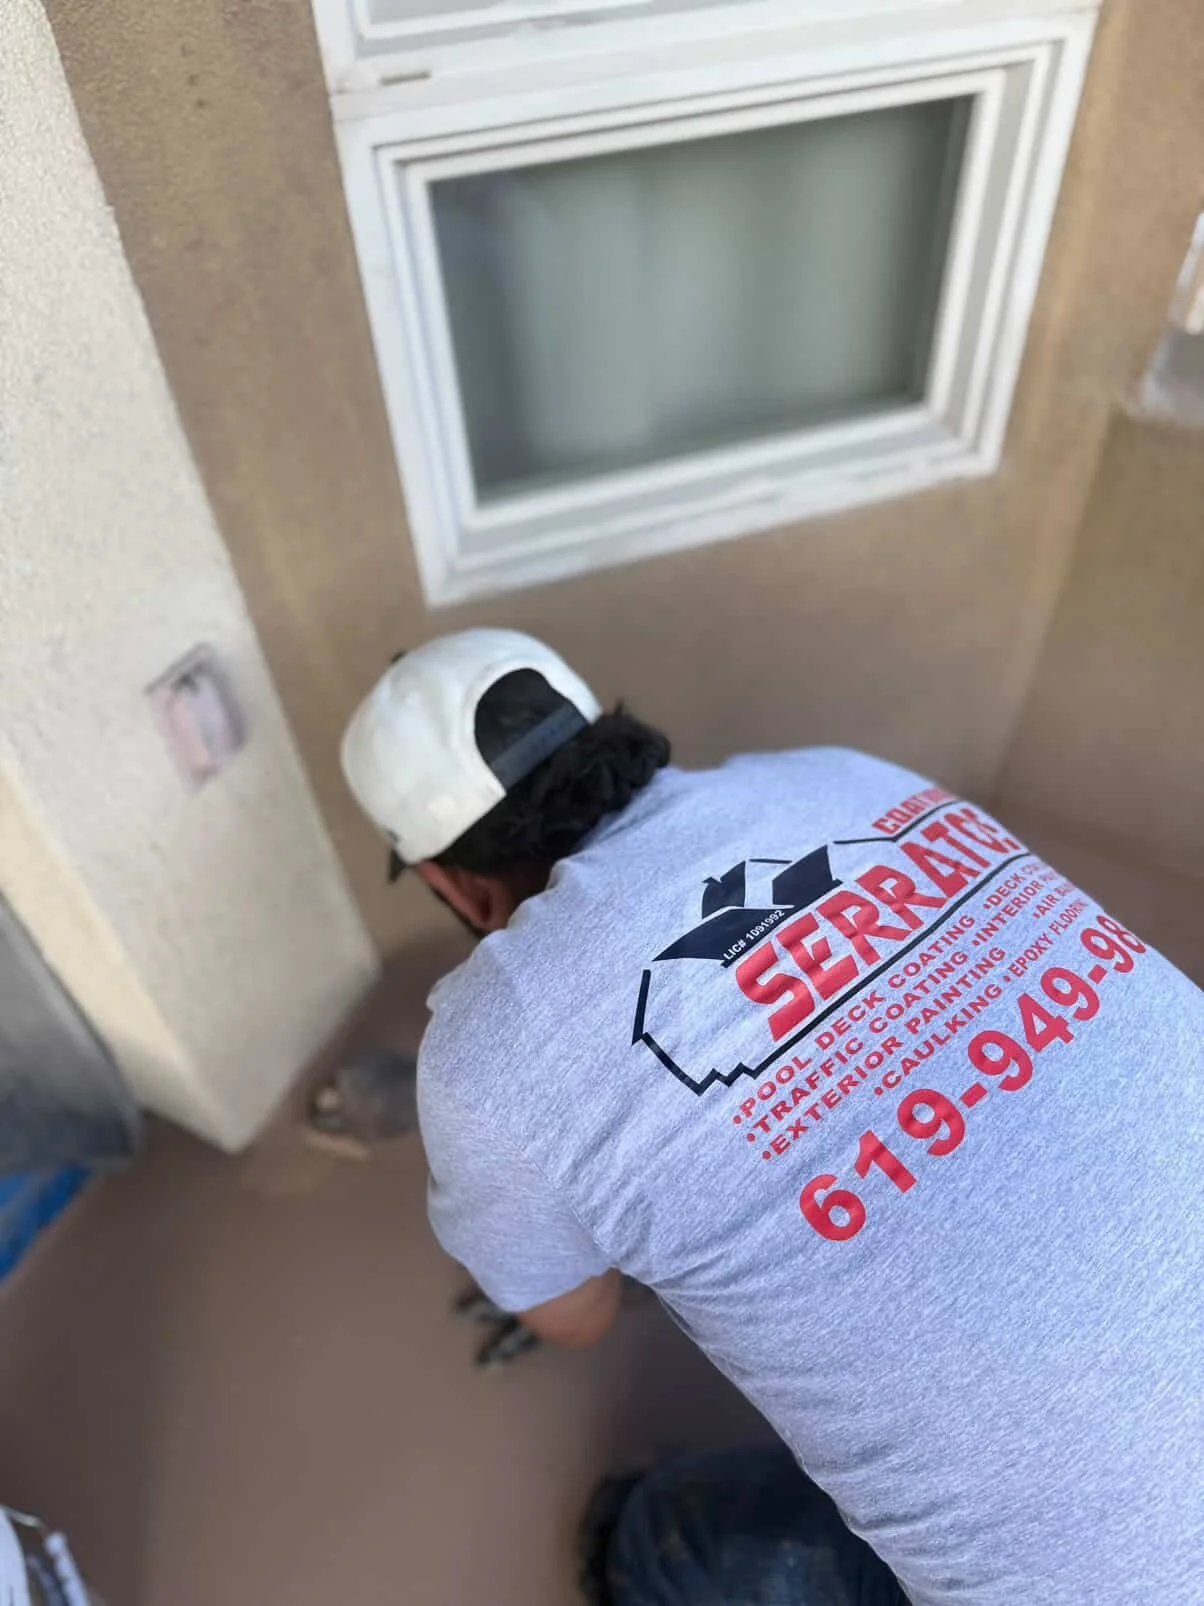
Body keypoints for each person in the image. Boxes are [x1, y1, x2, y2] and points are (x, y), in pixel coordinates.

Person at [341, 628, 1204, 1606]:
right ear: (599, 734)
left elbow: (572, 1318)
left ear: (450, 881)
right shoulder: (844, 777)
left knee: (670, 1533)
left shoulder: (489, 1051)